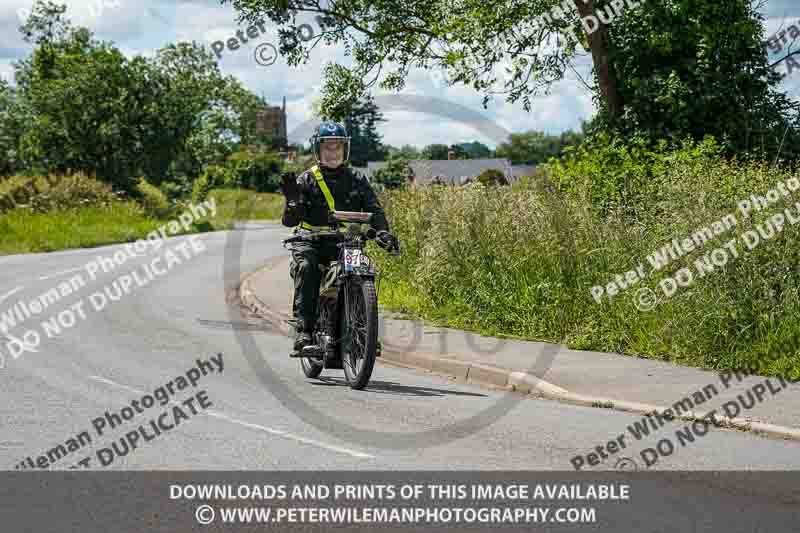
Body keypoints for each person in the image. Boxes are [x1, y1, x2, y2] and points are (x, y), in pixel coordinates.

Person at [280, 121, 398, 353]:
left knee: (364, 272)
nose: (332, 153)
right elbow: (290, 221)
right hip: (311, 242)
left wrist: (383, 231)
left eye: (337, 148)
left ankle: (365, 328)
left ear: (345, 150)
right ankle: (305, 330)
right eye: (327, 148)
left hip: (345, 242)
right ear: (317, 150)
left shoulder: (357, 179)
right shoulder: (306, 179)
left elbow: (375, 209)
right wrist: (292, 202)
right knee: (307, 267)